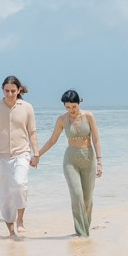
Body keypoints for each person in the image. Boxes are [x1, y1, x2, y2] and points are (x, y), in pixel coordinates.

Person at [33, 89, 103, 237]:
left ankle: (85, 230)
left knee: (87, 198)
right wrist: (37, 154)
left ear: (79, 103)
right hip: (70, 160)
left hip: (88, 158)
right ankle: (81, 233)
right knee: (77, 195)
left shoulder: (89, 116)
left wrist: (99, 161)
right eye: (67, 107)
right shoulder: (62, 120)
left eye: (73, 107)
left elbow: (96, 139)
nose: (71, 110)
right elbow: (52, 140)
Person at [0, 76, 38, 238]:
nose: (10, 94)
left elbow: (32, 132)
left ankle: (20, 220)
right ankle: (11, 230)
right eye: (7, 90)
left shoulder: (27, 107)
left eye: (13, 91)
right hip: (0, 155)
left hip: (22, 153)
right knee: (3, 193)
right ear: (2, 90)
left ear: (19, 90)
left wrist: (36, 152)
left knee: (20, 183)